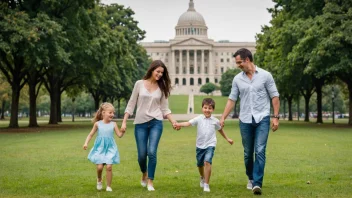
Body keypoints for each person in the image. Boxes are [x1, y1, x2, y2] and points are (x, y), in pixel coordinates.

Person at [219, 48, 280, 195]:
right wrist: (222, 117)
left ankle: (257, 183)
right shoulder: (237, 79)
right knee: (248, 153)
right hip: (245, 119)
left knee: (260, 150)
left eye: (239, 62)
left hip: (262, 118)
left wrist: (276, 117)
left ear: (247, 60)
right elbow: (232, 100)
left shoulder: (266, 76)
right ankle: (251, 178)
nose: (238, 65)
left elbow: (275, 96)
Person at [120, 60, 179, 191]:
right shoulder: (139, 84)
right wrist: (124, 122)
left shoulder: (162, 88)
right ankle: (144, 173)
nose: (159, 74)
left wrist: (173, 121)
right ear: (152, 70)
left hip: (156, 123)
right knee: (142, 155)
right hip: (140, 123)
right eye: (158, 71)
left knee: (152, 152)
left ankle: (150, 181)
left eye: (162, 73)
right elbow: (131, 104)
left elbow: (165, 109)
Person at [174, 98, 233, 192]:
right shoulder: (199, 118)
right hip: (200, 145)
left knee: (207, 162)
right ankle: (202, 176)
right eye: (205, 108)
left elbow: (220, 129)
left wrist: (227, 138)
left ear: (213, 109)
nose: (207, 110)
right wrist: (178, 124)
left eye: (210, 108)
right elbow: (188, 123)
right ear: (202, 108)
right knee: (200, 164)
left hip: (211, 144)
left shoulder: (215, 121)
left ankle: (206, 184)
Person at [83, 102, 124, 192]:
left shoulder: (114, 124)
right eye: (110, 112)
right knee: (100, 167)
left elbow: (119, 135)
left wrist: (123, 131)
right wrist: (86, 143)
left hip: (110, 148)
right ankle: (99, 179)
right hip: (100, 148)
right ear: (103, 113)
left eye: (113, 113)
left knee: (109, 167)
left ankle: (109, 186)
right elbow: (90, 135)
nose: (112, 114)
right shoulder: (98, 124)